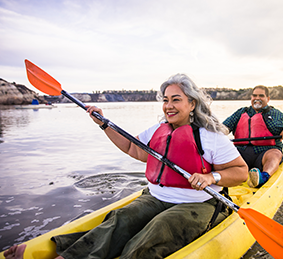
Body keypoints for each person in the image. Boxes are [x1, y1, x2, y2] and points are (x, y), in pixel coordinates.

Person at [4, 74, 248, 259]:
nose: (169, 106)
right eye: (165, 100)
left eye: (176, 100)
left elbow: (241, 172)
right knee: (122, 218)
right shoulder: (157, 130)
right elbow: (134, 149)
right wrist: (103, 124)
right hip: (157, 197)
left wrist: (211, 177)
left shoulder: (210, 136)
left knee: (157, 229)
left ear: (192, 104)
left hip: (198, 204)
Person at [223, 85, 283, 188]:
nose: (257, 98)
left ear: (267, 99)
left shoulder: (275, 114)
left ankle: (263, 176)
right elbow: (222, 128)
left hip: (264, 154)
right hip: (241, 156)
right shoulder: (241, 112)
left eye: (261, 96)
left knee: (275, 154)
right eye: (254, 96)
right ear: (251, 98)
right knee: (223, 150)